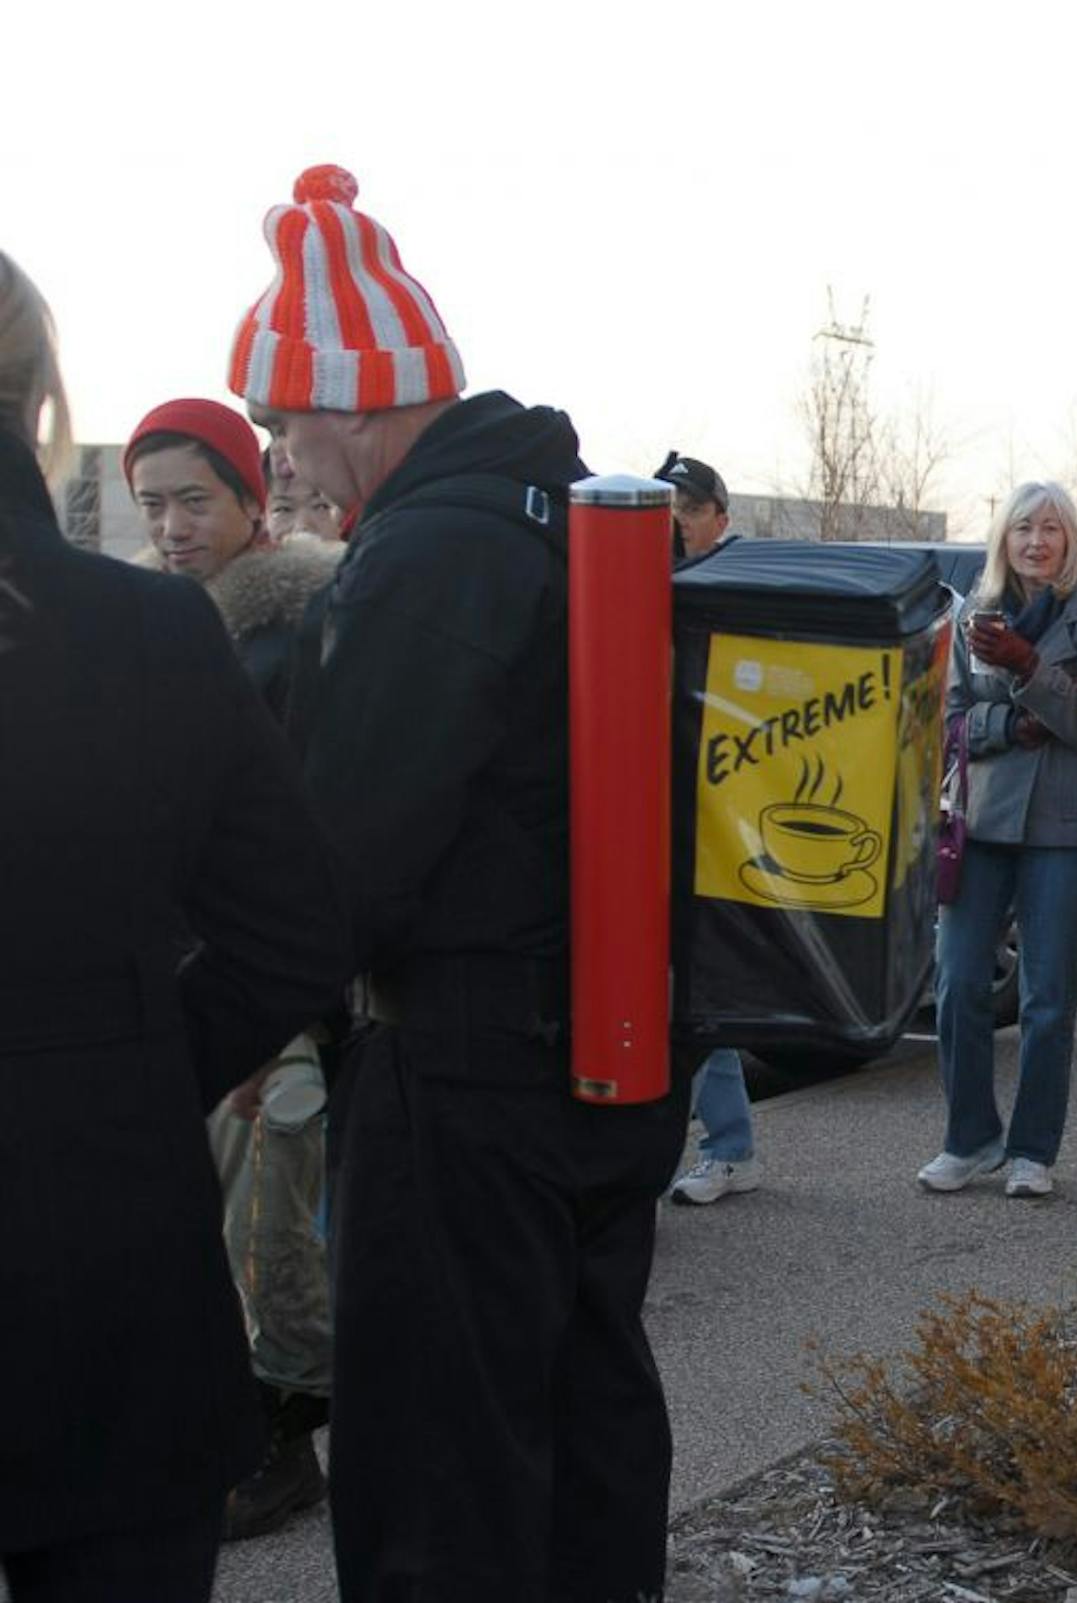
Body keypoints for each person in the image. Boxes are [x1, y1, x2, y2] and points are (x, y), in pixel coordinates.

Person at [233, 165, 693, 1602]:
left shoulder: (427, 556)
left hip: (466, 1073)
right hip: (606, 1051)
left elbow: (342, 857)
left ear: (358, 399)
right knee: (583, 1412)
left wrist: (230, 1017)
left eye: (285, 417)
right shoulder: (558, 512)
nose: (282, 454)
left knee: (440, 1459)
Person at [0, 249, 351, 1603]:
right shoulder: (148, 631)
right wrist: (139, 1068)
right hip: (114, 1280)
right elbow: (295, 926)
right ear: (41, 406)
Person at [125, 399, 345, 1542]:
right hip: (208, 981)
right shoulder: (178, 629)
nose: (168, 525)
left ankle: (281, 1443)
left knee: (272, 1227)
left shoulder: (285, 633)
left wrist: (277, 1017)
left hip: (274, 993)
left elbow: (292, 843)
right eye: (151, 503)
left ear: (254, 502)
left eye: (193, 499)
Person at [920, 482, 1077, 1195]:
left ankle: (1033, 1150)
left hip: (1065, 826)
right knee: (960, 980)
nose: (1036, 541)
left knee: (1045, 996)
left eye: (1051, 528)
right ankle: (969, 1137)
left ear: (1071, 539)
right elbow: (948, 720)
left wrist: (1032, 670)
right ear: (1002, 537)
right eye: (1022, 528)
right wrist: (1006, 726)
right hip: (983, 817)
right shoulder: (976, 610)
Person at [658, 450, 764, 1206]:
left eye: (689, 508)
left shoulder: (732, 590)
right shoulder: (639, 582)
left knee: (703, 986)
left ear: (719, 520)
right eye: (665, 504)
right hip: (653, 810)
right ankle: (716, 1142)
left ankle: (727, 1146)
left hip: (717, 812)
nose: (674, 519)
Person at [659, 450, 730, 563]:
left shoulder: (738, 576)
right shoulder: (630, 571)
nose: (676, 520)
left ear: (721, 524)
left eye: (693, 510)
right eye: (667, 508)